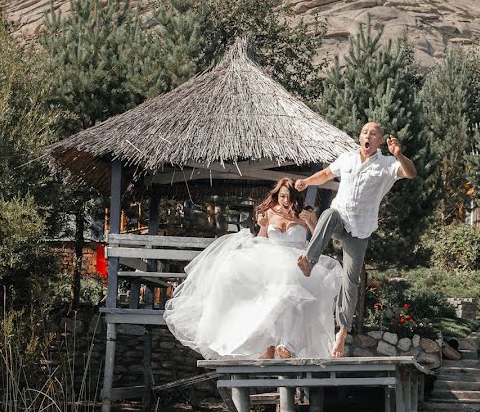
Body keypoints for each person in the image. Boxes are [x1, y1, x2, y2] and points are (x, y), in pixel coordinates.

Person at [163, 178, 343, 360]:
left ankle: (287, 344)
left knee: (291, 292)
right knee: (262, 294)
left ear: (296, 196)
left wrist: (311, 223)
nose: (285, 200)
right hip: (270, 258)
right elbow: (261, 240)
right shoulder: (269, 213)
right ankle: (268, 345)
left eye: (289, 196)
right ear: (277, 196)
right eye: (282, 196)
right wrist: (263, 226)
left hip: (296, 260)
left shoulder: (306, 213)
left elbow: (320, 242)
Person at [294, 122, 417, 357]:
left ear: (380, 141)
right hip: (341, 219)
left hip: (360, 230)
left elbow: (411, 173)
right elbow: (326, 174)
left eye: (373, 133)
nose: (367, 136)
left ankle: (342, 332)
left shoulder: (387, 165)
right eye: (364, 132)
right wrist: (307, 181)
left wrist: (399, 155)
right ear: (360, 137)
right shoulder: (347, 158)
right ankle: (310, 261)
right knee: (328, 213)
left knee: (350, 280)